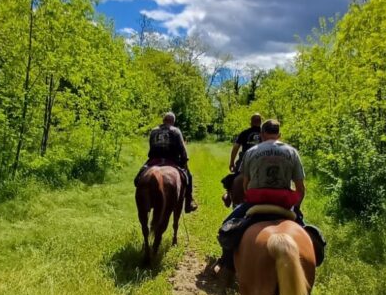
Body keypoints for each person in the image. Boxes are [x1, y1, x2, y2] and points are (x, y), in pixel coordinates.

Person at [215, 118, 325, 273]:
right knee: (308, 233)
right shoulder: (292, 152)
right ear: (279, 135)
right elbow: (301, 188)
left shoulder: (251, 152)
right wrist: (295, 208)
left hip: (256, 201)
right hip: (284, 203)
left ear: (262, 134)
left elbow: (245, 185)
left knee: (227, 227)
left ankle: (226, 264)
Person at [134, 112, 197, 212]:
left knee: (138, 179)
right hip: (172, 160)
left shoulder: (153, 131)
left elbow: (152, 147)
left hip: (154, 160)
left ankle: (142, 198)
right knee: (189, 176)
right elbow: (182, 149)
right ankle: (189, 202)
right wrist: (184, 160)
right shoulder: (176, 131)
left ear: (163, 120)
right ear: (173, 121)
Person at [221, 113, 262, 207]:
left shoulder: (245, 132)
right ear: (260, 122)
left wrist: (232, 162)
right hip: (262, 160)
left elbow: (236, 147)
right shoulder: (264, 133)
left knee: (236, 175)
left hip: (245, 160)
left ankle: (228, 195)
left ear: (251, 122)